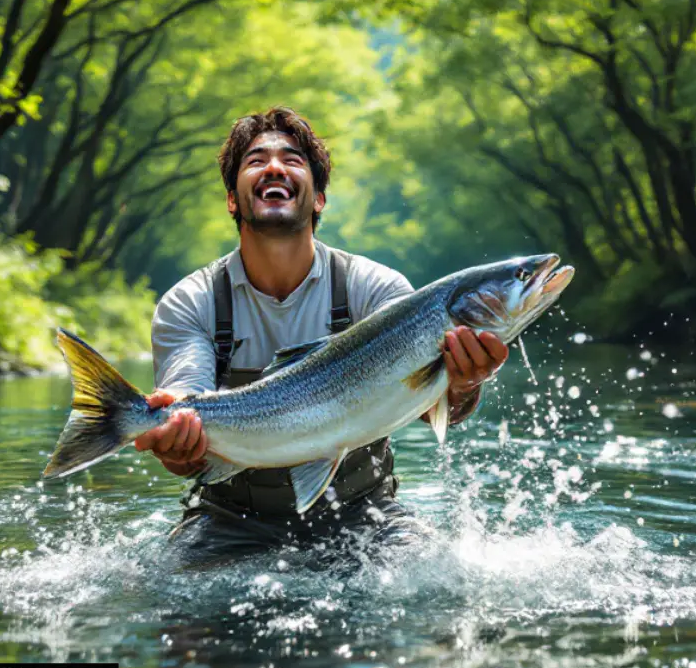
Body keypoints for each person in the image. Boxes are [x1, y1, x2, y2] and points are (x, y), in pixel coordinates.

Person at [135, 106, 508, 564]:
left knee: (432, 581)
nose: (275, 167)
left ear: (319, 199)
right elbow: (184, 402)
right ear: (232, 200)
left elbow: (432, 408)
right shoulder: (190, 302)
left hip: (366, 514)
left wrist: (464, 384)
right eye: (256, 160)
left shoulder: (377, 289)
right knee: (171, 594)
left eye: (292, 159)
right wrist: (176, 440)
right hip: (228, 521)